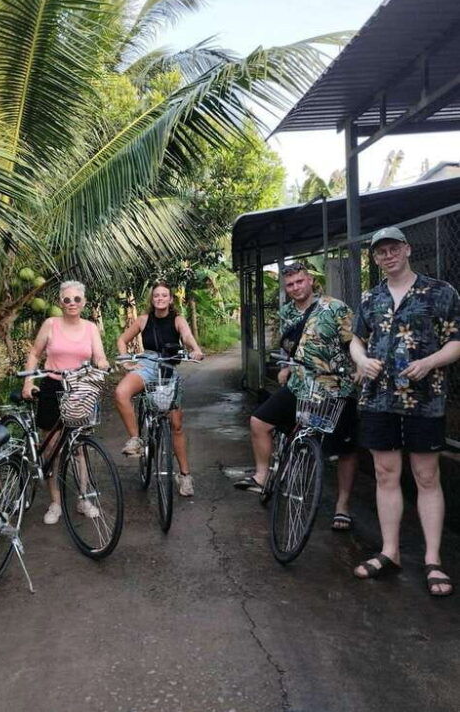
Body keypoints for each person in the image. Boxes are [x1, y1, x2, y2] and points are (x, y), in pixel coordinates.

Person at [350, 226, 460, 596]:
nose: (388, 255)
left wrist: (429, 362)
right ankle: (390, 551)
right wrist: (362, 361)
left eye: (393, 248)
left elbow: (457, 342)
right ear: (376, 259)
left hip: (424, 398)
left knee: (426, 476)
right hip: (378, 398)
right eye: (380, 252)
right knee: (385, 472)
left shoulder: (440, 292)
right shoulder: (370, 298)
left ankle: (432, 559)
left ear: (407, 249)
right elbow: (356, 339)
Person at [234, 262, 358, 532]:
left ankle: (343, 505)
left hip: (336, 388)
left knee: (345, 450)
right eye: (290, 284)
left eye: (299, 282)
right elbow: (291, 348)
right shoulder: (287, 313)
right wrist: (286, 367)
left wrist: (360, 367)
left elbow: (354, 342)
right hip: (301, 386)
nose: (295, 288)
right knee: (259, 422)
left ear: (311, 280)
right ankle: (262, 475)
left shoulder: (335, 308)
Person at [22, 280, 109, 524]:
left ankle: (83, 498)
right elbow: (34, 354)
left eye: (77, 299)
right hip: (52, 385)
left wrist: (103, 366)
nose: (72, 303)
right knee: (52, 448)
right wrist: (28, 382)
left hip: (80, 388)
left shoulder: (90, 327)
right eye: (67, 299)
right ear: (60, 302)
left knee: (79, 446)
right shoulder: (51, 324)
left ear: (84, 302)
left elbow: (99, 356)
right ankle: (55, 502)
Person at [114, 281, 204, 497]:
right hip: (146, 365)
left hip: (169, 367)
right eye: (157, 296)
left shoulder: (178, 319)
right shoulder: (144, 319)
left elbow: (187, 336)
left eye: (165, 295)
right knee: (120, 393)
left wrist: (195, 349)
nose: (160, 298)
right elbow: (122, 339)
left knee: (176, 425)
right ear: (152, 299)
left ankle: (184, 475)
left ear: (171, 299)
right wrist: (127, 361)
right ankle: (136, 438)